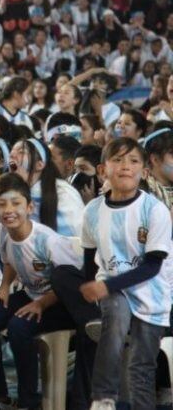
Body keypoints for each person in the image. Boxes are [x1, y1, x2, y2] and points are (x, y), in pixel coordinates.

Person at [0, 173, 81, 409]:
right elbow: (10, 261)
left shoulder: (48, 241)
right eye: (1, 204)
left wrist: (41, 304)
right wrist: (4, 288)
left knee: (18, 327)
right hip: (31, 294)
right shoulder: (4, 232)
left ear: (29, 207)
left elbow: (73, 284)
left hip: (61, 302)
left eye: (16, 203)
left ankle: (29, 401)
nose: (9, 210)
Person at [80, 138, 172, 410]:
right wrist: (96, 287)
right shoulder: (92, 211)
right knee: (117, 314)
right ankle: (103, 398)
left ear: (144, 171)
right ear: (102, 170)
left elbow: (153, 266)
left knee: (140, 368)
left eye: (133, 161)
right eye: (117, 160)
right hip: (113, 288)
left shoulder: (154, 210)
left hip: (151, 291)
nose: (125, 167)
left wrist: (106, 286)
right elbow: (89, 257)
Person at [8, 138, 85, 237]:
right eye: (12, 152)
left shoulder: (63, 193)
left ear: (39, 165)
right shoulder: (10, 194)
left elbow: (78, 239)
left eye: (21, 152)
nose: (12, 155)